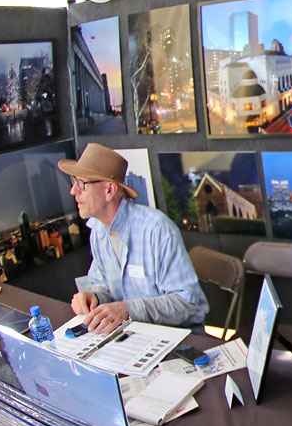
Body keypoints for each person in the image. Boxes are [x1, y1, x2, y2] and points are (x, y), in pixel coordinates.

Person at [59, 143, 207, 334]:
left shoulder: (157, 229)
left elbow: (186, 302)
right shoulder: (97, 229)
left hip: (177, 337)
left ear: (109, 190)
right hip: (132, 335)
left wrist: (128, 310)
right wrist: (93, 296)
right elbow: (102, 284)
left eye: (81, 184)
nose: (73, 192)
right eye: (74, 182)